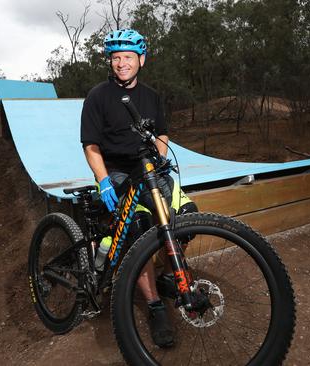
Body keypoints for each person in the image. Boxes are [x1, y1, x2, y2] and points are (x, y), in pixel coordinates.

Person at [80, 28, 196, 348]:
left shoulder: (152, 96)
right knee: (138, 232)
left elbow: (162, 134)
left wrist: (158, 159)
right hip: (115, 171)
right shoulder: (97, 96)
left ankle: (168, 272)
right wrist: (103, 180)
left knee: (187, 215)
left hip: (147, 167)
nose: (121, 63)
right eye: (116, 58)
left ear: (141, 60)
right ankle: (156, 306)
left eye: (128, 57)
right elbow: (90, 145)